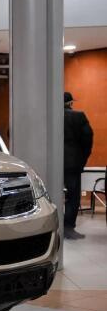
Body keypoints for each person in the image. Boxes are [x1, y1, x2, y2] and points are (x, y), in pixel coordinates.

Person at [63, 92, 94, 240]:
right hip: (72, 164)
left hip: (51, 163)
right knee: (73, 196)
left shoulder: (49, 117)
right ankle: (68, 228)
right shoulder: (79, 116)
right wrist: (82, 159)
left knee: (48, 195)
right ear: (70, 103)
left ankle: (52, 226)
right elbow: (88, 140)